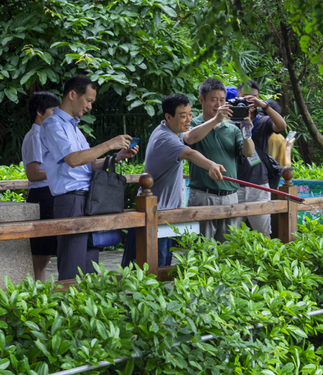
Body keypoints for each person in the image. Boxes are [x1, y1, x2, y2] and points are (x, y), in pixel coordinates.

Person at [40, 75, 139, 281]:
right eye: (89, 100)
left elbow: (89, 164)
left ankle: (87, 311)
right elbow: (73, 160)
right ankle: (68, 310)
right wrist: (109, 144)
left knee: (90, 263)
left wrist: (117, 156)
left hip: (88, 198)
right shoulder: (52, 125)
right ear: (72, 94)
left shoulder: (75, 128)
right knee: (73, 265)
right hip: (70, 199)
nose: (90, 107)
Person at [120, 93, 228, 268]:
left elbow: (190, 137)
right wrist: (210, 165)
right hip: (156, 216)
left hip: (164, 216)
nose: (188, 120)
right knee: (152, 270)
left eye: (190, 114)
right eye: (183, 116)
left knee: (156, 268)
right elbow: (189, 153)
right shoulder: (165, 139)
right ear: (168, 117)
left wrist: (216, 119)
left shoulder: (169, 130)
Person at [184, 78, 255, 242]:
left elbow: (249, 152)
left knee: (228, 251)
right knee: (202, 249)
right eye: (213, 100)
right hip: (203, 195)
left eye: (222, 100)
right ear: (202, 100)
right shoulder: (192, 124)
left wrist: (246, 130)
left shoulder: (232, 129)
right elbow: (189, 138)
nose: (218, 104)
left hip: (231, 196)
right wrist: (216, 120)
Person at [233, 80, 287, 237]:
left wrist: (265, 106)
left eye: (253, 97)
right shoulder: (228, 121)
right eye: (244, 96)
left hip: (259, 185)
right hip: (234, 185)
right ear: (237, 97)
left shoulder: (262, 121)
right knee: (231, 235)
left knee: (263, 233)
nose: (249, 100)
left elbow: (281, 126)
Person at [22, 91, 60, 282]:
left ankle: (41, 297)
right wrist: (60, 170)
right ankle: (38, 300)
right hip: (41, 196)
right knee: (40, 256)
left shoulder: (43, 135)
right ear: (39, 112)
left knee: (45, 256)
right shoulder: (35, 137)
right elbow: (33, 173)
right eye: (53, 110)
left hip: (47, 195)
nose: (56, 115)